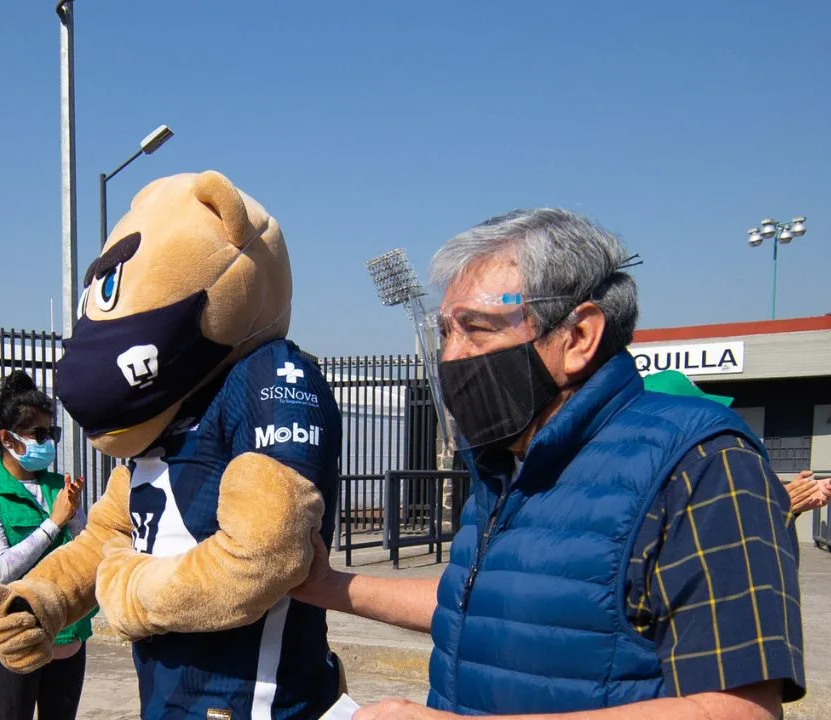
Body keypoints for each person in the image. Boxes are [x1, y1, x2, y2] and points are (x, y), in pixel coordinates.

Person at [292, 209, 804, 719]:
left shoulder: (703, 464)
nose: (452, 358)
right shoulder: (504, 461)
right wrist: (328, 586)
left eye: (475, 328)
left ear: (578, 336)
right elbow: (488, 605)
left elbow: (740, 710)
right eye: (446, 331)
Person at [0, 370, 93, 720]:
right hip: (13, 635)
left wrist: (76, 518)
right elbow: (1, 569)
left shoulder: (58, 486)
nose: (48, 441)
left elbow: (84, 554)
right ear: (8, 439)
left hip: (65, 633)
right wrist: (54, 522)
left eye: (52, 433)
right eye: (39, 433)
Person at [643, 368, 831, 517]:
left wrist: (779, 499)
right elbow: (702, 542)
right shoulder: (645, 479)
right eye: (698, 416)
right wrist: (775, 508)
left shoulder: (691, 465)